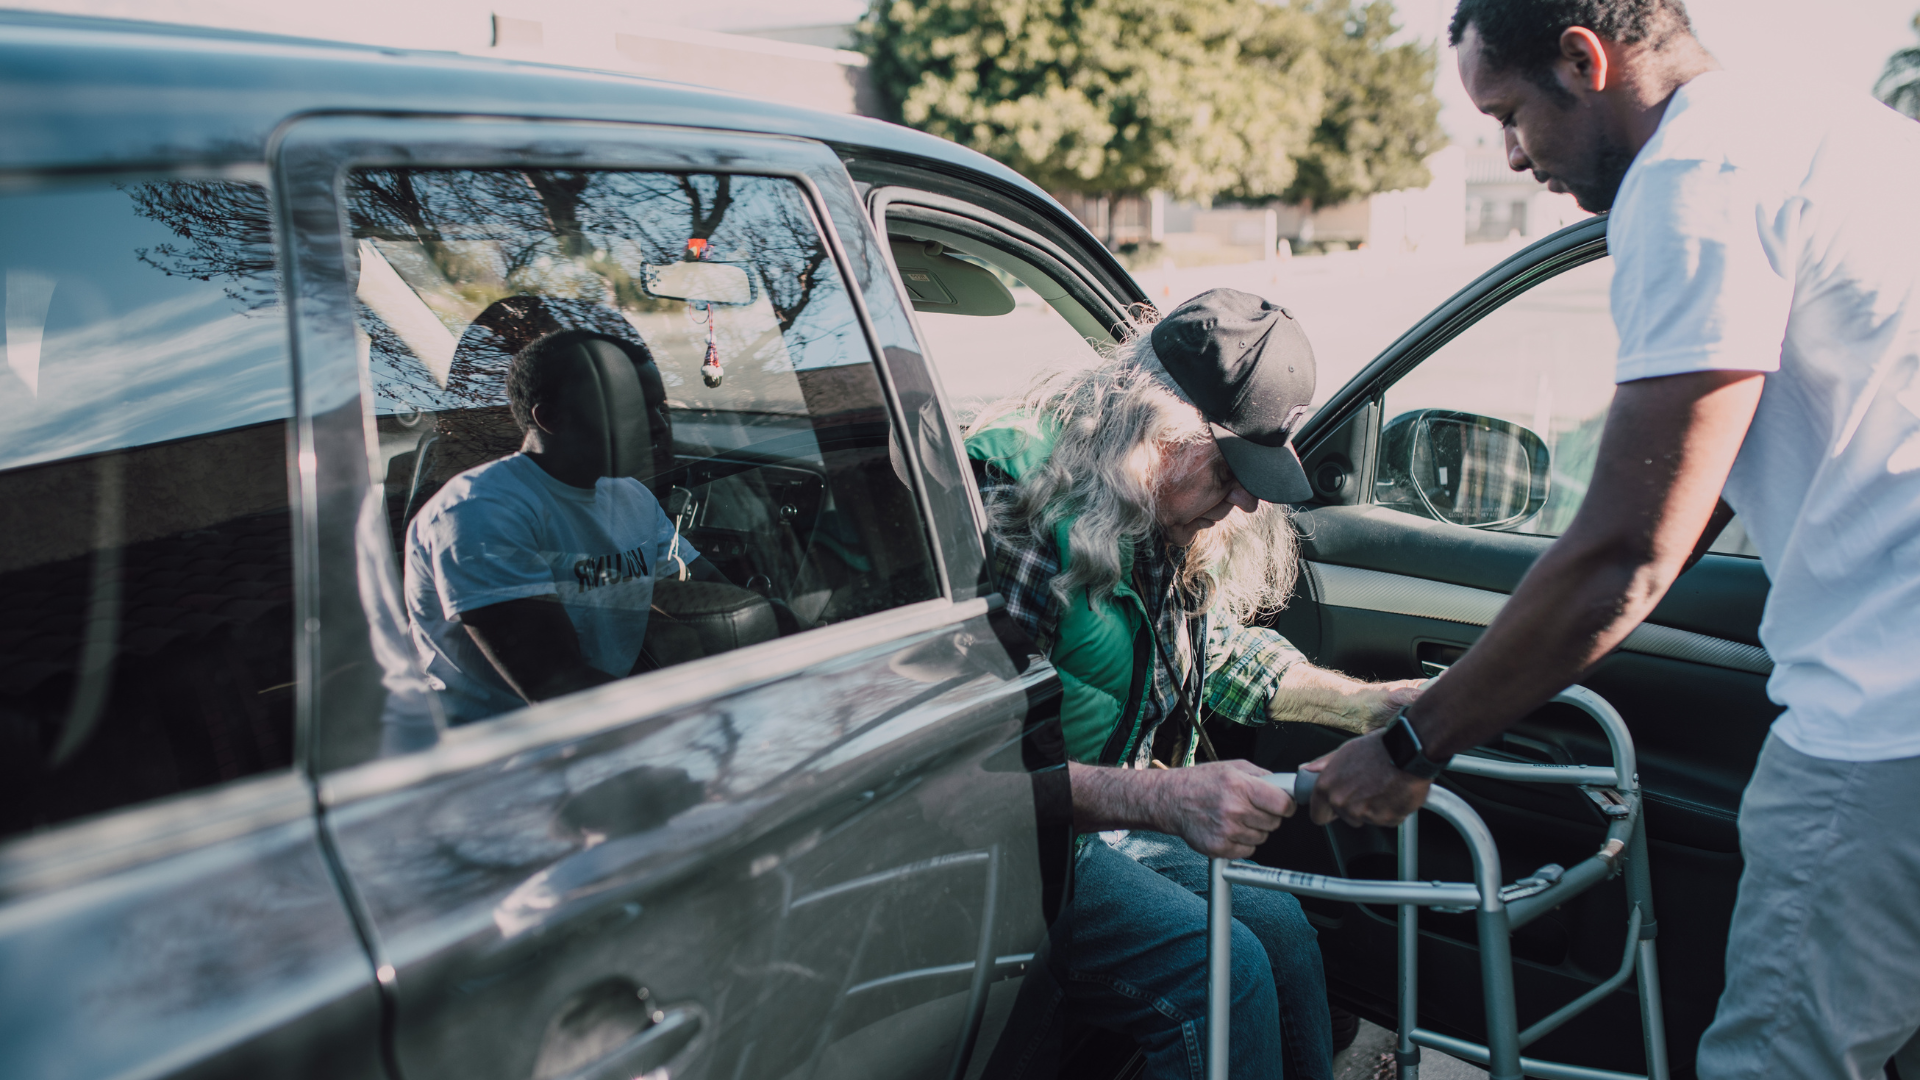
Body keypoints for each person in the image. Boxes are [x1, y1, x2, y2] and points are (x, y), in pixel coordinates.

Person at [1306, 2, 1920, 1077]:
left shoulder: (1693, 184)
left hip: (1885, 720)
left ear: (1585, 61)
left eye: (1508, 114)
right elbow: (1708, 486)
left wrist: (1413, 743)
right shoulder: (1843, 135)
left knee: (1782, 1060)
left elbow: (1625, 548)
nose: (1510, 152)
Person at [969, 289, 1422, 1080]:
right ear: (1159, 431)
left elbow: (1203, 648)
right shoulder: (1020, 504)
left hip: (1099, 825)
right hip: (1015, 847)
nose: (1247, 498)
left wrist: (1368, 706)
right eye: (1234, 470)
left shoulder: (1148, 505)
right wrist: (1166, 797)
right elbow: (981, 777)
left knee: (1280, 927)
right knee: (1221, 972)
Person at [404, 328, 725, 725]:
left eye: (659, 407)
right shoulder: (479, 511)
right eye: (630, 408)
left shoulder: (631, 496)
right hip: (503, 755)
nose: (658, 426)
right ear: (550, 418)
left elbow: (712, 597)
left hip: (604, 728)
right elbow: (558, 687)